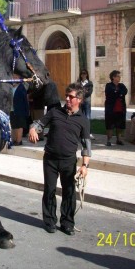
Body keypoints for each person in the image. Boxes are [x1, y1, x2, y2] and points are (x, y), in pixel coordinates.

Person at [28, 83, 91, 236]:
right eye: (67, 95)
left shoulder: (83, 120)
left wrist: (84, 166)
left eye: (71, 97)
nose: (67, 99)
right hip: (50, 159)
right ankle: (49, 221)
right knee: (49, 190)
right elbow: (38, 123)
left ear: (79, 99)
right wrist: (32, 129)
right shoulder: (55, 112)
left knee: (69, 192)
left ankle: (67, 223)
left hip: (69, 161)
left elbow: (86, 145)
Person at [104, 70, 128, 146]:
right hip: (111, 109)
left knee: (120, 125)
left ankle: (119, 139)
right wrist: (118, 93)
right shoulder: (108, 85)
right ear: (113, 77)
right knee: (110, 125)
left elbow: (125, 91)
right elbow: (110, 93)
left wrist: (117, 92)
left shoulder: (121, 85)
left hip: (121, 108)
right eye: (118, 76)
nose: (119, 77)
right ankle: (109, 140)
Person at [10, 76, 29, 146]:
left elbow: (25, 100)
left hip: (20, 109)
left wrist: (27, 110)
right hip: (12, 109)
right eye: (13, 77)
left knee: (19, 126)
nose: (14, 79)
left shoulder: (21, 87)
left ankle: (19, 140)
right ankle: (14, 140)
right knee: (13, 126)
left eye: (16, 77)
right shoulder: (10, 87)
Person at [77, 69, 94, 140]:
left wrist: (82, 93)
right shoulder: (78, 83)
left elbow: (89, 92)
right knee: (80, 116)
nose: (83, 75)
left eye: (85, 74)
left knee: (87, 117)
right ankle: (80, 132)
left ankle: (88, 133)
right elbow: (77, 91)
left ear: (87, 75)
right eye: (82, 74)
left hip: (86, 102)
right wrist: (83, 92)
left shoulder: (89, 83)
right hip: (80, 102)